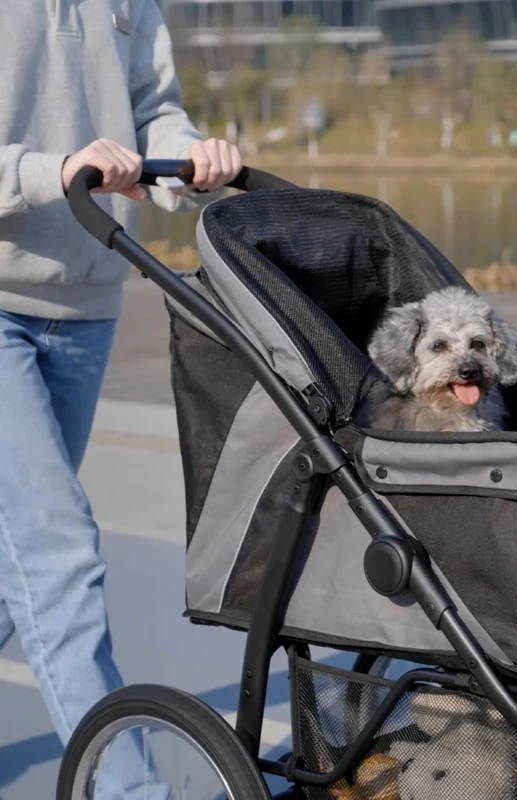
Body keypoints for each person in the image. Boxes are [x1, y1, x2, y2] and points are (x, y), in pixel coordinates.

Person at [0, 0, 242, 794]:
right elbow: (65, 158)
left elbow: (151, 112)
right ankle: (129, 789)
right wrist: (52, 169)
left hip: (85, 300)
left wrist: (191, 158)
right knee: (58, 554)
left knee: (22, 570)